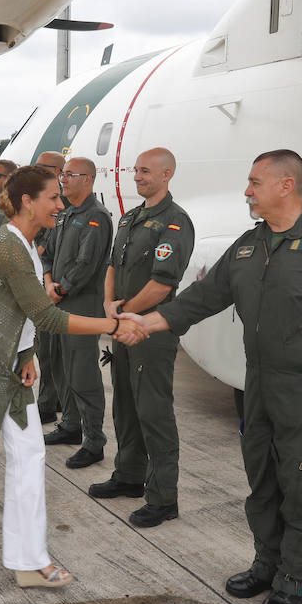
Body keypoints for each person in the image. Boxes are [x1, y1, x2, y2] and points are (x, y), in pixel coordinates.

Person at [125, 150, 302, 604]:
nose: (247, 191)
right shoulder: (248, 246)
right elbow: (202, 297)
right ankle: (267, 565)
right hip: (259, 384)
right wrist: (147, 322)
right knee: (262, 480)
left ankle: (295, 580)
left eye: (254, 183)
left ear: (286, 186)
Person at [0, 165, 143, 588]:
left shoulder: (28, 243)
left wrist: (26, 354)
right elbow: (44, 313)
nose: (60, 206)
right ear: (28, 201)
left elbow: (21, 312)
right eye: (52, 198)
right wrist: (112, 326)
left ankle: (28, 560)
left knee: (29, 455)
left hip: (7, 367)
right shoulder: (7, 247)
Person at [89, 148, 195, 527]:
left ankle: (164, 497)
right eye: (136, 171)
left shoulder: (175, 222)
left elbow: (163, 284)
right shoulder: (131, 218)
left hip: (151, 332)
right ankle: (129, 476)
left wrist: (126, 312)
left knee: (154, 412)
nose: (138, 177)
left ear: (167, 173)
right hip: (123, 327)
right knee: (126, 407)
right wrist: (108, 306)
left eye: (146, 171)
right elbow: (113, 266)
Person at [41, 157, 114, 469]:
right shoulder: (65, 214)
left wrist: (60, 289)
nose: (63, 180)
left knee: (83, 375)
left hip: (81, 308)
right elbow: (49, 253)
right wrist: (48, 282)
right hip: (58, 303)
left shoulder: (96, 217)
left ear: (88, 179)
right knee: (61, 370)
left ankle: (94, 441)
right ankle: (70, 426)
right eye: (64, 174)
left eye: (70, 175)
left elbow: (86, 264)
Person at [31, 151, 67, 425]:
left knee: (52, 352)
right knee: (44, 350)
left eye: (42, 167)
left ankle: (50, 404)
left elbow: (47, 246)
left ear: (57, 171)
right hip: (41, 280)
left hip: (50, 286)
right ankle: (47, 401)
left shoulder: (60, 206)